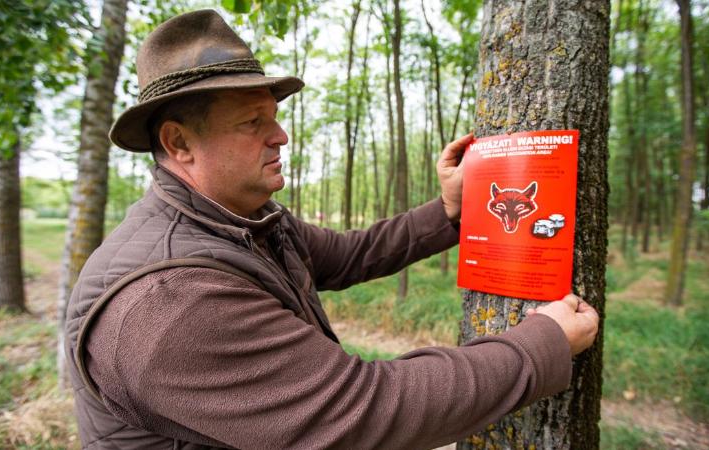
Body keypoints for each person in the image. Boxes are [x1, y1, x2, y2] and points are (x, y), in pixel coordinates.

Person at [65, 9, 599, 450]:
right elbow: (364, 410)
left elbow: (351, 254)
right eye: (253, 123)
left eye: (273, 115)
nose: (282, 135)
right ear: (180, 143)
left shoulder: (247, 224)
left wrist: (449, 211)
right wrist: (539, 345)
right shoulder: (169, 301)